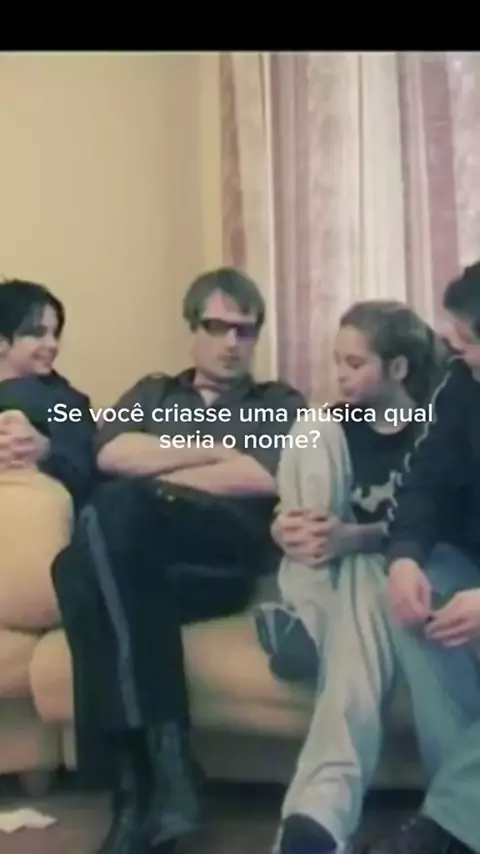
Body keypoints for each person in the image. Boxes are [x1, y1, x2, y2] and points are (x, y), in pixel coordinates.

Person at [50, 267, 306, 854]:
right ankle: (154, 786)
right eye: (217, 327)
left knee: (92, 547)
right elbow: (112, 453)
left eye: (245, 330)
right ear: (192, 329)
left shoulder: (278, 401)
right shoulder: (153, 392)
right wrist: (215, 448)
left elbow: (261, 474)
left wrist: (160, 467)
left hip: (217, 558)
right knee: (88, 559)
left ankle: (135, 784)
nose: (232, 342)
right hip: (145, 563)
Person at [254, 301, 449, 854]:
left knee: (370, 568)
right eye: (336, 362)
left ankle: (316, 816)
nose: (340, 375)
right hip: (321, 568)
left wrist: (355, 538)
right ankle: (308, 613)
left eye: (355, 364)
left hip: (386, 574)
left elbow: (434, 529)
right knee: (311, 426)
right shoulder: (333, 425)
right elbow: (296, 506)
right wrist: (284, 528)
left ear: (398, 368)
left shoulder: (435, 432)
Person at [367, 265, 480, 854]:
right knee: (418, 604)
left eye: (468, 340)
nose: (457, 351)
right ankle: (456, 825)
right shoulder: (462, 385)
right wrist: (405, 557)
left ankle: (444, 831)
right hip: (470, 561)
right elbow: (423, 484)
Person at [0, 278, 95, 506]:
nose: (52, 344)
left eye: (55, 334)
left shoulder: (69, 403)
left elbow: (88, 473)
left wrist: (46, 450)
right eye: (38, 333)